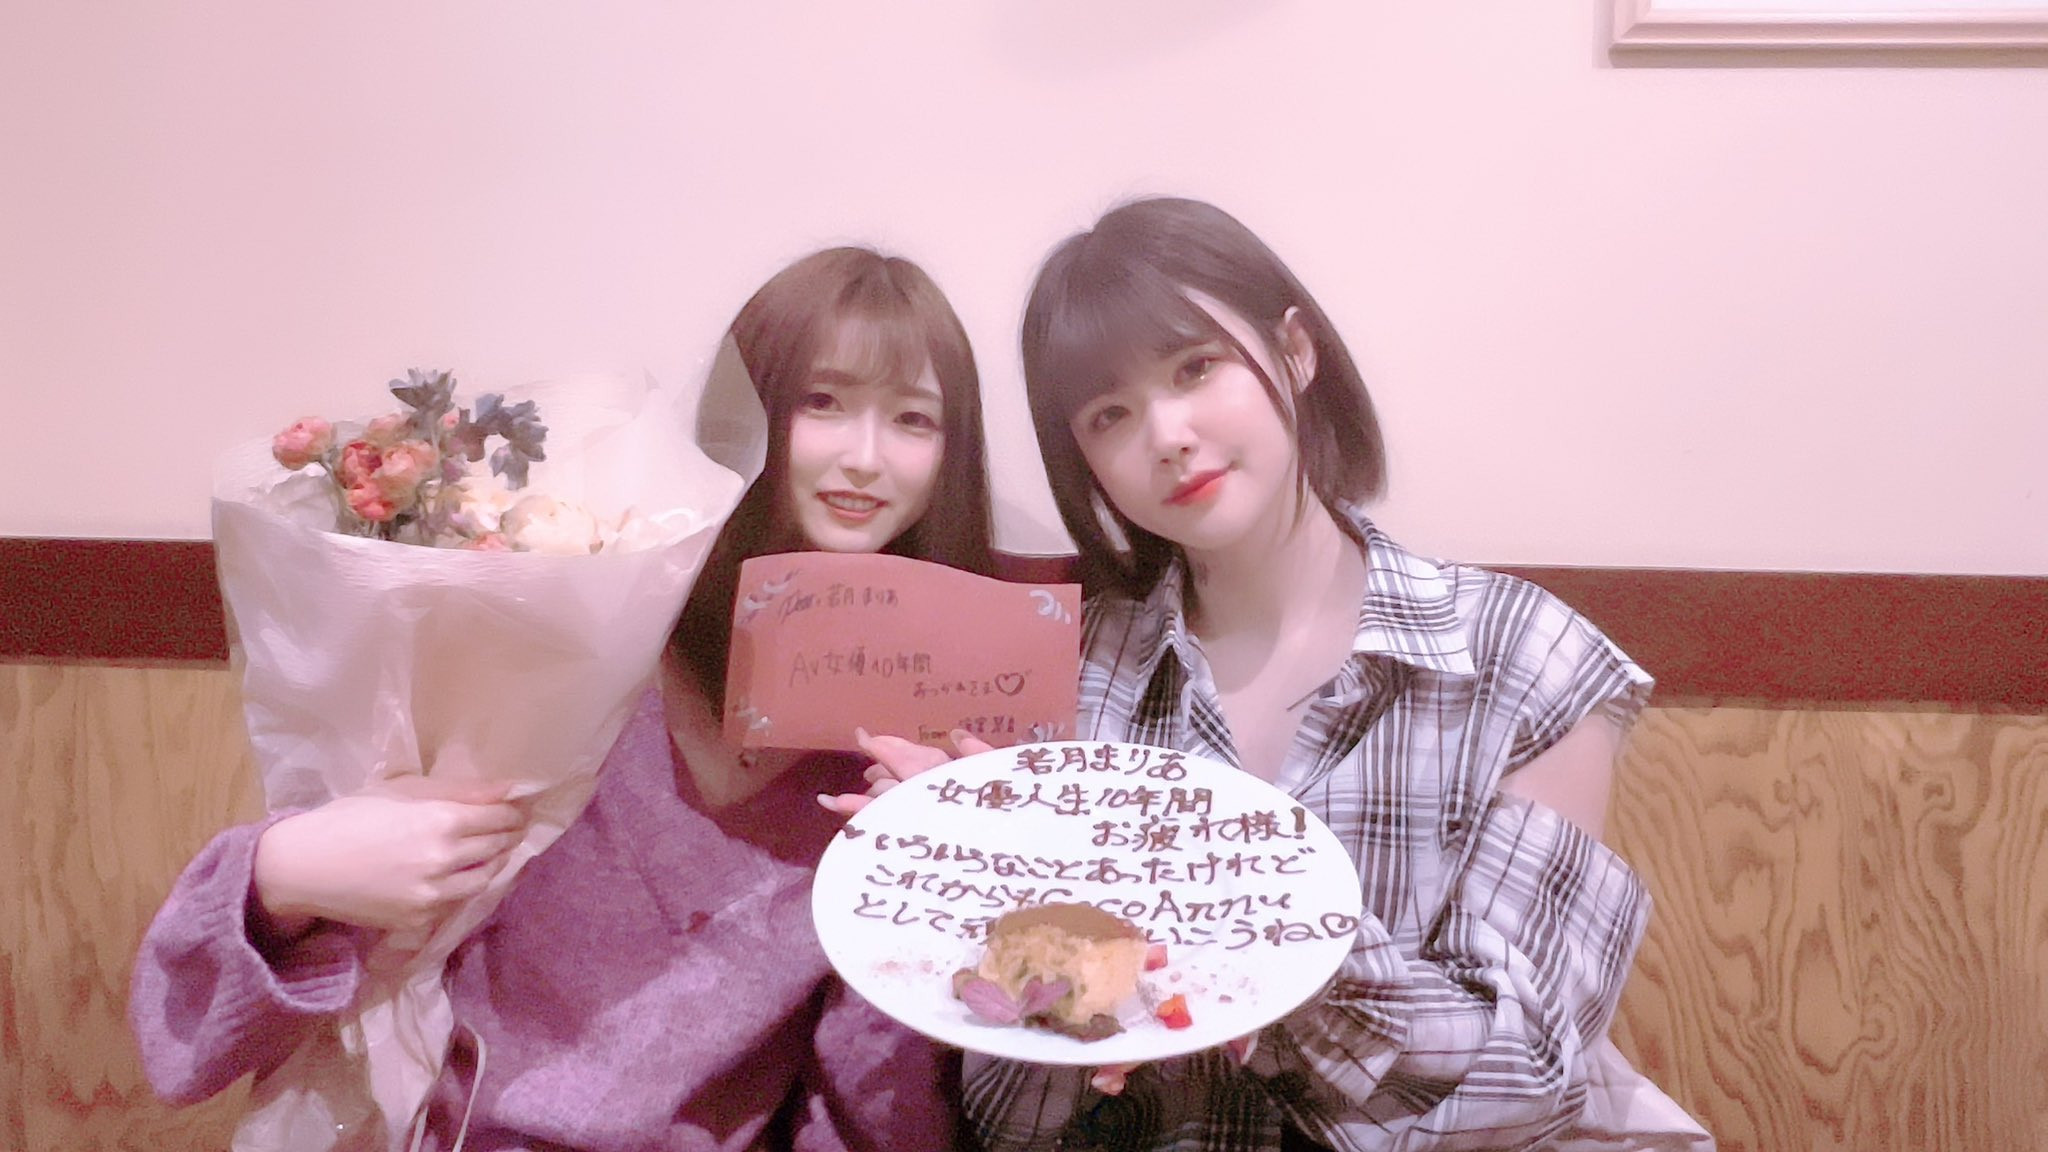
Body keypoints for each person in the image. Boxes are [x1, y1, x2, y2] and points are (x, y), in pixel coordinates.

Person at [846, 198, 1712, 1151]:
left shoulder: (1520, 658)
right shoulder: (1067, 667)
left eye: (1195, 367)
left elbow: (1525, 1076)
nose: (1166, 433)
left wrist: (1246, 961)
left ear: (1295, 352)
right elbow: (1013, 1103)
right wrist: (971, 873)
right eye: (1109, 413)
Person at [130, 246, 994, 1152]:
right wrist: (280, 875)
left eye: (913, 419)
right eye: (823, 402)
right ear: (754, 410)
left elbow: (867, 1111)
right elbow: (184, 1040)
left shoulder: (907, 747)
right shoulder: (586, 639)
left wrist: (927, 903)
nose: (865, 457)